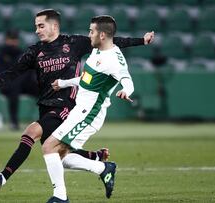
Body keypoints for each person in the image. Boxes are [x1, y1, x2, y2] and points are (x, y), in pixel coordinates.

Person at [0, 9, 154, 193]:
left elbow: (110, 41)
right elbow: (12, 72)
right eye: (36, 26)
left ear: (54, 26)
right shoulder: (35, 51)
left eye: (41, 26)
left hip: (67, 105)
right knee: (59, 154)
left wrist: (141, 41)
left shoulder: (74, 43)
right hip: (45, 105)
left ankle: (6, 178)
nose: (37, 30)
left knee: (32, 133)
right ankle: (97, 160)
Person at [42, 15, 133, 202]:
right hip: (80, 110)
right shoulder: (97, 51)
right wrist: (65, 83)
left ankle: (60, 197)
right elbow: (86, 79)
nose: (88, 34)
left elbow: (127, 79)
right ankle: (103, 168)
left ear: (102, 35)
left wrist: (126, 90)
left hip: (90, 114)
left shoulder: (114, 59)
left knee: (49, 146)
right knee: (60, 156)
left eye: (91, 31)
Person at [0, 29, 39, 130]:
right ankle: (14, 121)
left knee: (42, 89)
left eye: (15, 40)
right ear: (6, 40)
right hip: (6, 85)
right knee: (14, 87)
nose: (13, 42)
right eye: (11, 40)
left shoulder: (21, 53)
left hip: (23, 84)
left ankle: (46, 120)